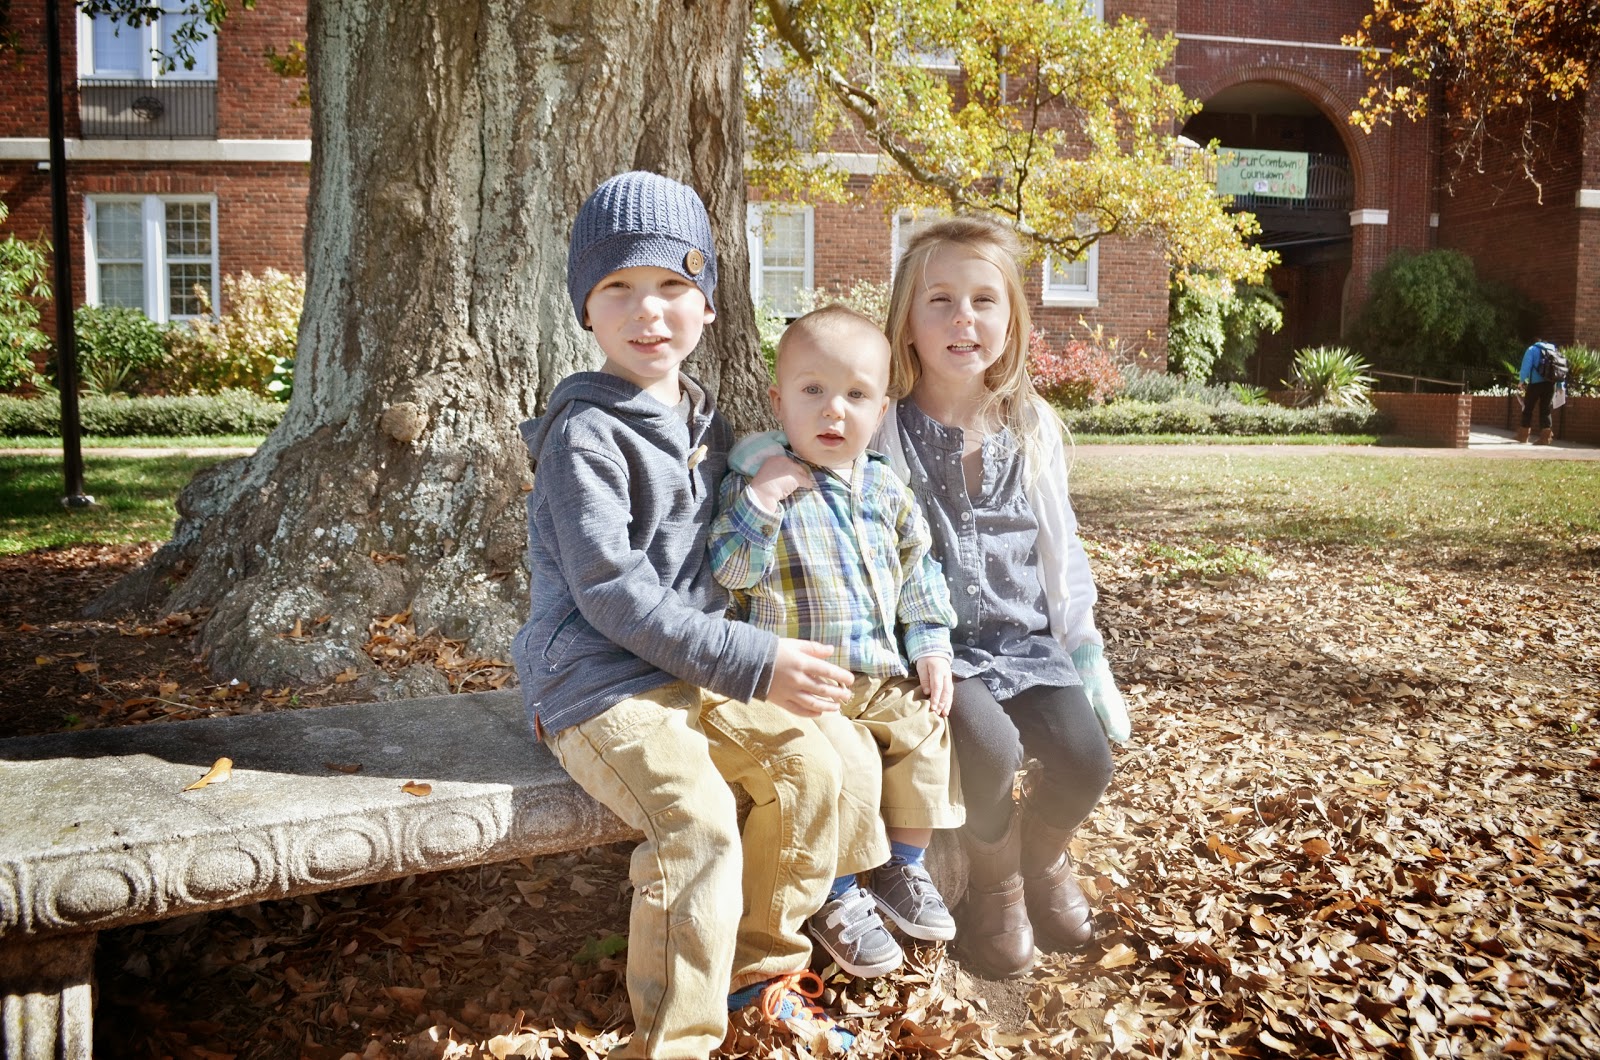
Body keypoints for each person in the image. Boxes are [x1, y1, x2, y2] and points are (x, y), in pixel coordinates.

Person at [512, 171, 862, 1058]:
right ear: (585, 310)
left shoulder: (706, 421)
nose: (648, 311)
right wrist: (754, 660)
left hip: (687, 669)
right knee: (697, 821)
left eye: (672, 284)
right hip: (594, 682)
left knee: (812, 770)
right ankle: (675, 1040)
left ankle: (760, 974)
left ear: (707, 303)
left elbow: (725, 557)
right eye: (617, 288)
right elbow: (613, 593)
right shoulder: (583, 436)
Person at [876, 215, 1130, 979]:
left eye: (984, 301)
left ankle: (1043, 858)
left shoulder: (1030, 426)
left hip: (1028, 642)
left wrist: (1085, 650)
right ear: (907, 323)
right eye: (940, 301)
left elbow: (1061, 548)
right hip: (939, 650)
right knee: (988, 749)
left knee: (1087, 760)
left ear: (1012, 320)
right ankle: (997, 886)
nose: (964, 318)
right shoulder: (884, 427)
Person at [710, 305, 965, 981]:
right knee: (844, 764)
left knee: (927, 727)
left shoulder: (884, 486)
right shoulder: (759, 481)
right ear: (779, 401)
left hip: (880, 673)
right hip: (802, 681)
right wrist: (762, 502)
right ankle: (837, 891)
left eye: (855, 395)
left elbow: (918, 572)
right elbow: (729, 572)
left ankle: (902, 868)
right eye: (813, 391)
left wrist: (931, 644)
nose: (833, 410)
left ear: (880, 410)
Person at [1516, 340, 1566, 445]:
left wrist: (1521, 380)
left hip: (1535, 383)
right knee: (1545, 409)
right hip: (1550, 384)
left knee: (1528, 407)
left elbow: (1526, 366)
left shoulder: (1532, 349)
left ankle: (1523, 436)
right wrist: (1560, 385)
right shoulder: (1554, 350)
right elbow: (1559, 368)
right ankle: (1545, 438)